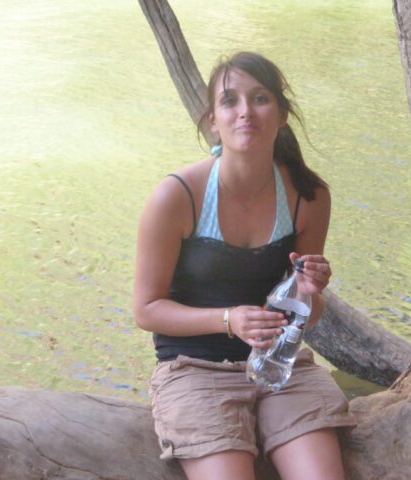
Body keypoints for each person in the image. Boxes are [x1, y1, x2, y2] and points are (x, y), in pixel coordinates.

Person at [133, 51, 356, 480]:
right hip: (194, 371)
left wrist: (310, 292)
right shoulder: (177, 196)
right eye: (230, 101)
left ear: (283, 115)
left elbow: (308, 316)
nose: (245, 112)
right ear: (213, 121)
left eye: (260, 98)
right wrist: (228, 319)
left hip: (280, 367)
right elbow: (146, 310)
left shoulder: (308, 196)